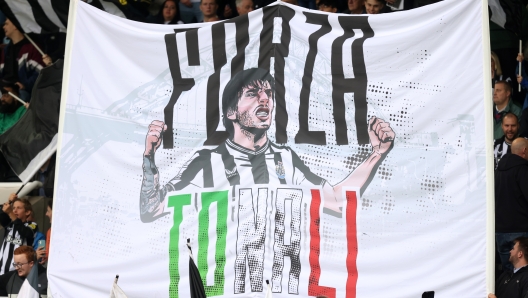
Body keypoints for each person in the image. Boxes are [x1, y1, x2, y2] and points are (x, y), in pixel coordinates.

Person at [140, 68, 395, 222]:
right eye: (253, 94)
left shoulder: (286, 159)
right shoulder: (207, 162)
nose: (265, 99)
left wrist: (377, 154)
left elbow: (338, 201)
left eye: (268, 93)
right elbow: (151, 209)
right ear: (231, 111)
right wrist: (150, 156)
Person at [495, 138, 528, 273]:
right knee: (524, 275)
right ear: (524, 150)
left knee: (508, 275)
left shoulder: (497, 171)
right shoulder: (523, 169)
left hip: (500, 231)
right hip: (521, 229)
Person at [0, 19, 45, 101]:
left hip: (22, 91)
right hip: (4, 88)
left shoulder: (32, 48)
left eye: (6, 24)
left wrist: (25, 85)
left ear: (15, 26)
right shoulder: (6, 50)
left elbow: (40, 73)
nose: (3, 27)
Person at [0, 196, 34, 275]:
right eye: (13, 207)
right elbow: (1, 214)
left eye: (19, 208)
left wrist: (11, 213)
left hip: (17, 273)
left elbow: (24, 232)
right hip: (2, 271)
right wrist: (9, 201)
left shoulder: (32, 225)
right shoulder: (9, 224)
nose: (15, 210)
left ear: (27, 212)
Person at [36, 199, 52, 265]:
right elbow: (46, 255)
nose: (46, 214)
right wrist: (45, 258)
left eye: (48, 211)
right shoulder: (49, 231)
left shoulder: (40, 236)